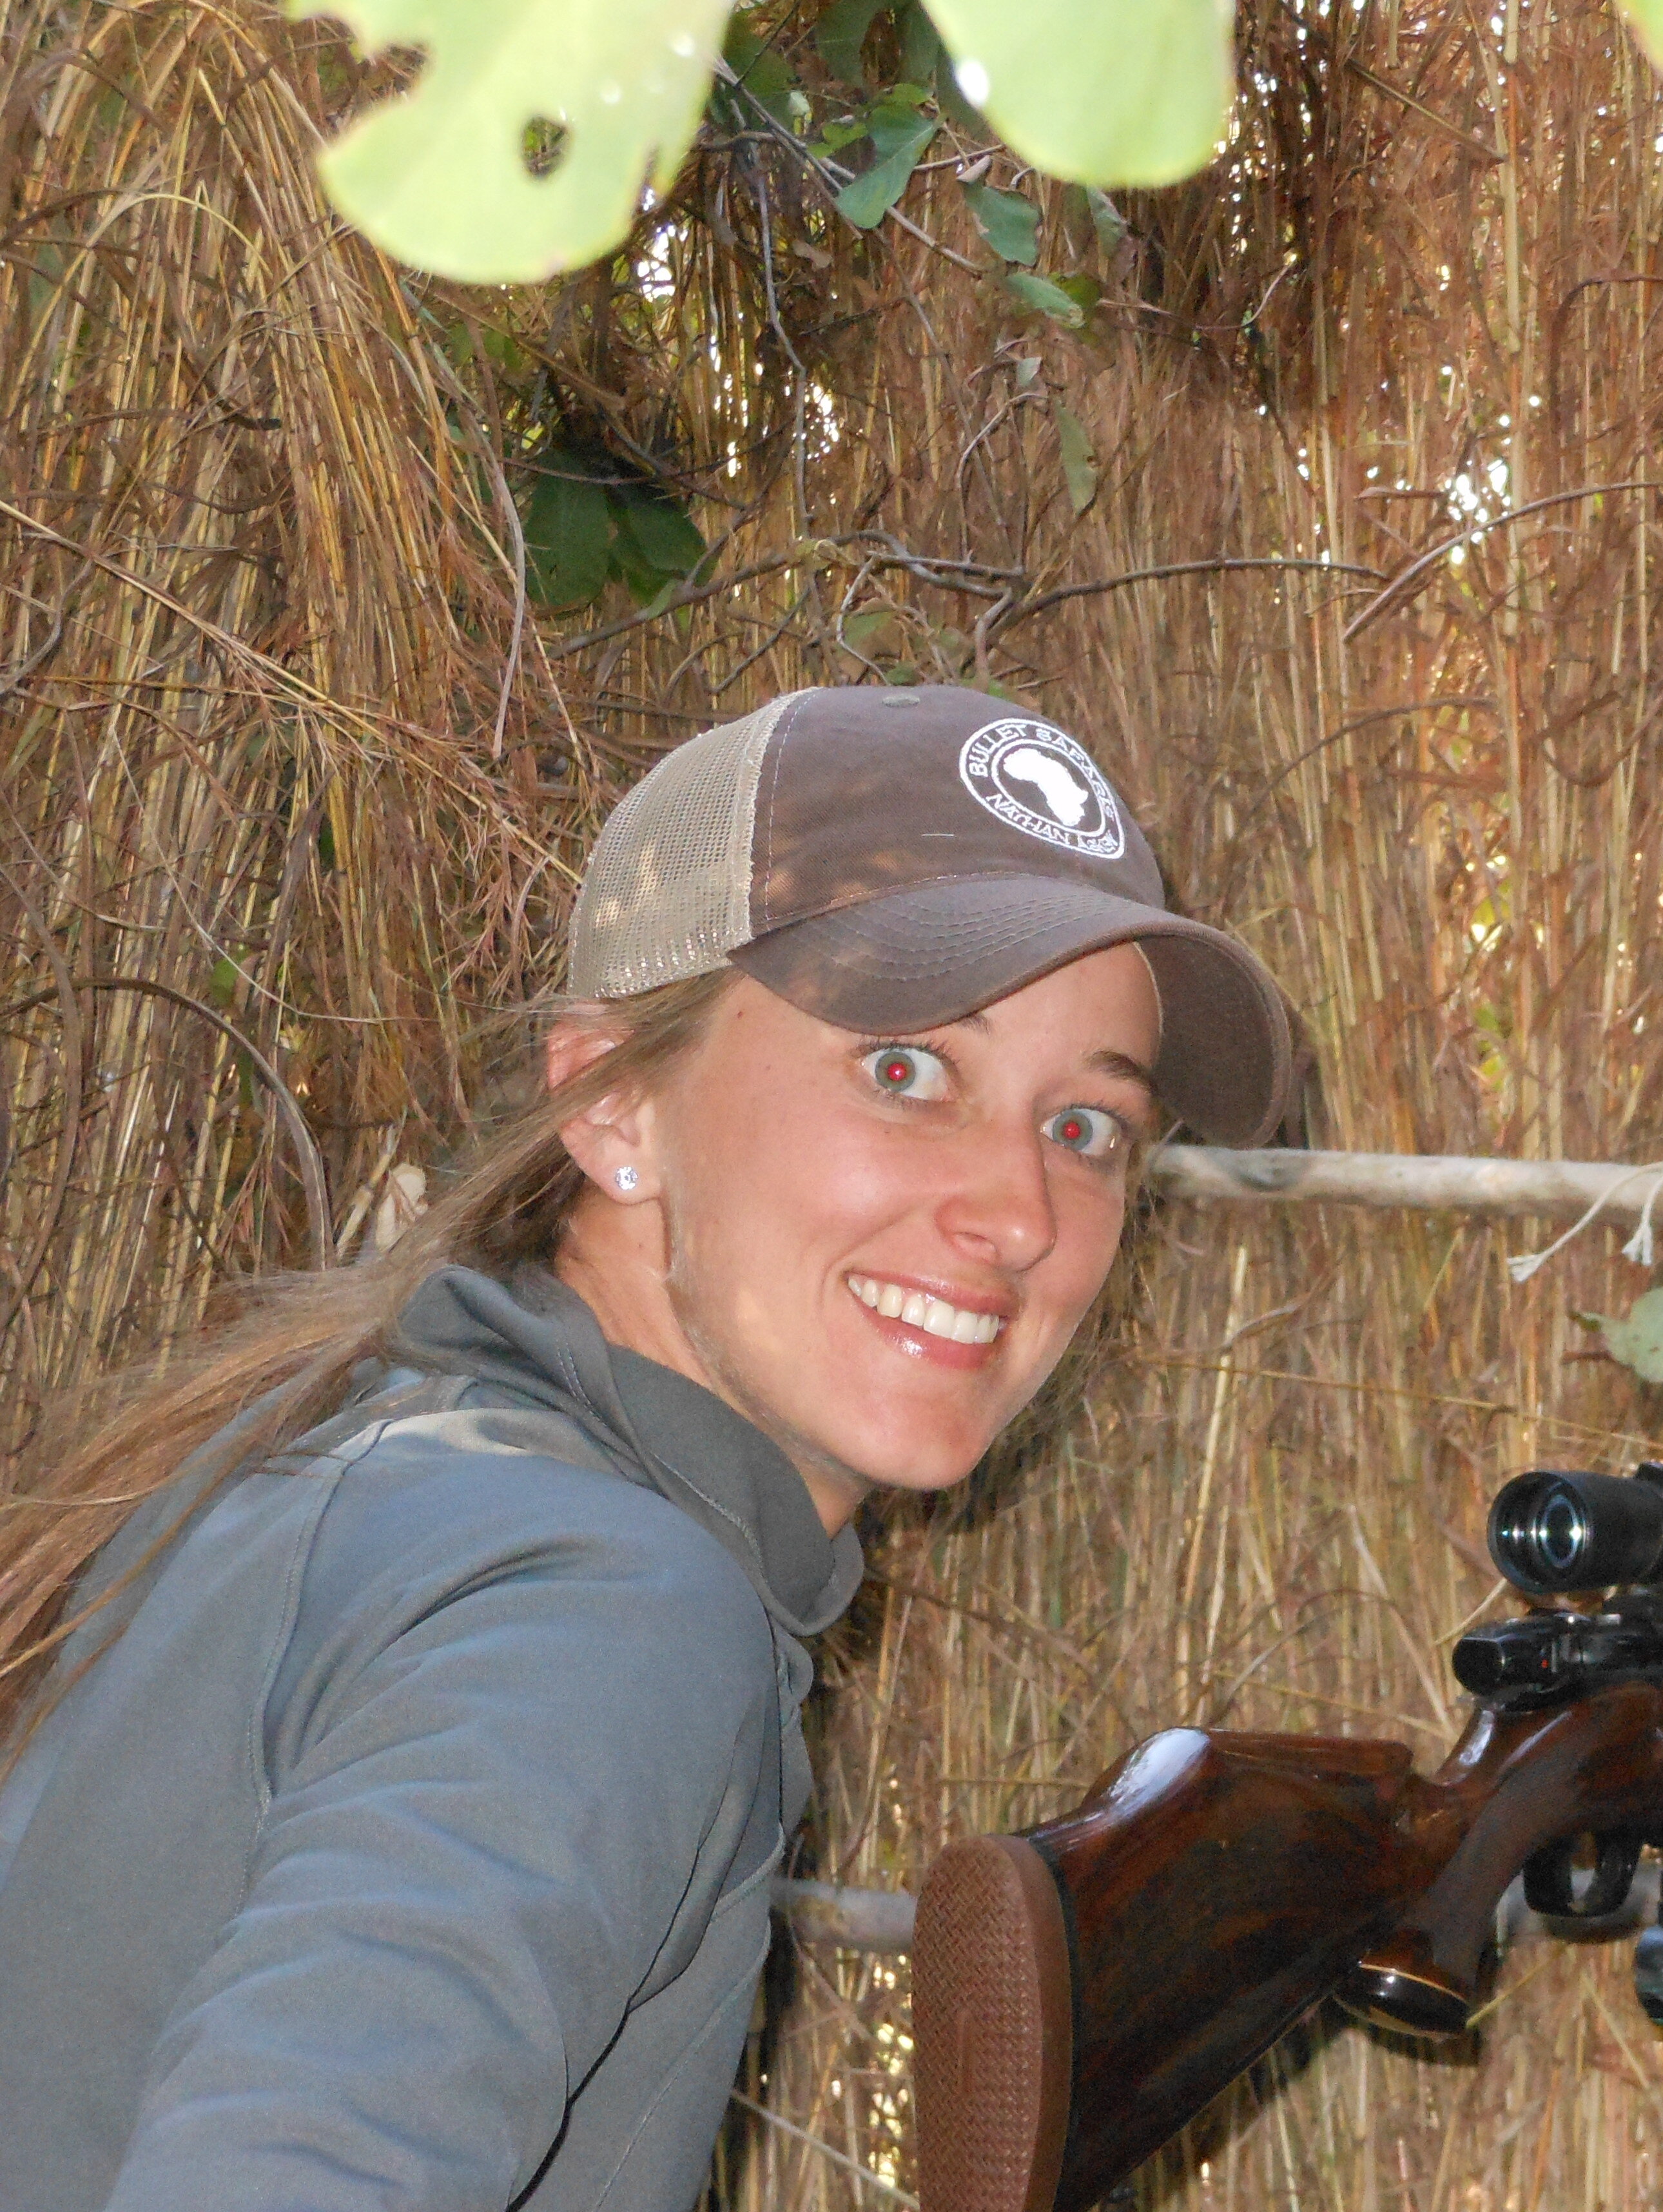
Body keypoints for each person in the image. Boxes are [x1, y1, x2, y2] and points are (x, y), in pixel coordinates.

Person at [0, 685, 1297, 2211]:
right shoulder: (606, 1614)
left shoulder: (353, 1471)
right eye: (906, 1071)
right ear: (613, 1105)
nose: (1020, 1214)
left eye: (1089, 1129)